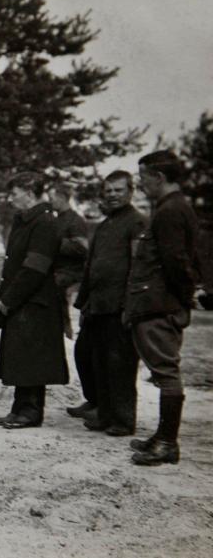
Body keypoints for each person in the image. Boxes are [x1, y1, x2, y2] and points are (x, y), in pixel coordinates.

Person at [127, 150, 201, 466]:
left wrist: (184, 297)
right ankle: (162, 437)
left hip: (160, 304)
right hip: (157, 302)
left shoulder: (170, 211)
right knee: (162, 370)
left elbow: (176, 261)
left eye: (142, 177)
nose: (141, 184)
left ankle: (168, 443)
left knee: (166, 371)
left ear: (158, 177)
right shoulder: (171, 208)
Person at [71, 170, 147, 437]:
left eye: (118, 190)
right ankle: (104, 414)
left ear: (130, 191)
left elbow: (138, 268)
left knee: (120, 364)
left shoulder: (137, 223)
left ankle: (123, 421)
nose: (113, 195)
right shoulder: (105, 225)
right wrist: (84, 304)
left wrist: (131, 306)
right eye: (109, 190)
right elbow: (92, 267)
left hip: (120, 307)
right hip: (98, 306)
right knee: (96, 360)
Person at [0, 172, 68, 429]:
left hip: (36, 302)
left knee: (32, 359)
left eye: (14, 194)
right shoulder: (25, 221)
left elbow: (35, 267)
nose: (11, 199)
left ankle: (31, 411)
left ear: (29, 191)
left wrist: (9, 299)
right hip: (24, 300)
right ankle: (19, 408)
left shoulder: (45, 222)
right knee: (21, 357)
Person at [49, 183, 89, 339]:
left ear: (62, 198)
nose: (50, 202)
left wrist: (57, 243)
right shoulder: (55, 220)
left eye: (52, 199)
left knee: (56, 288)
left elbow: (82, 249)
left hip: (71, 272)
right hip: (56, 270)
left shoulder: (75, 220)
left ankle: (67, 335)